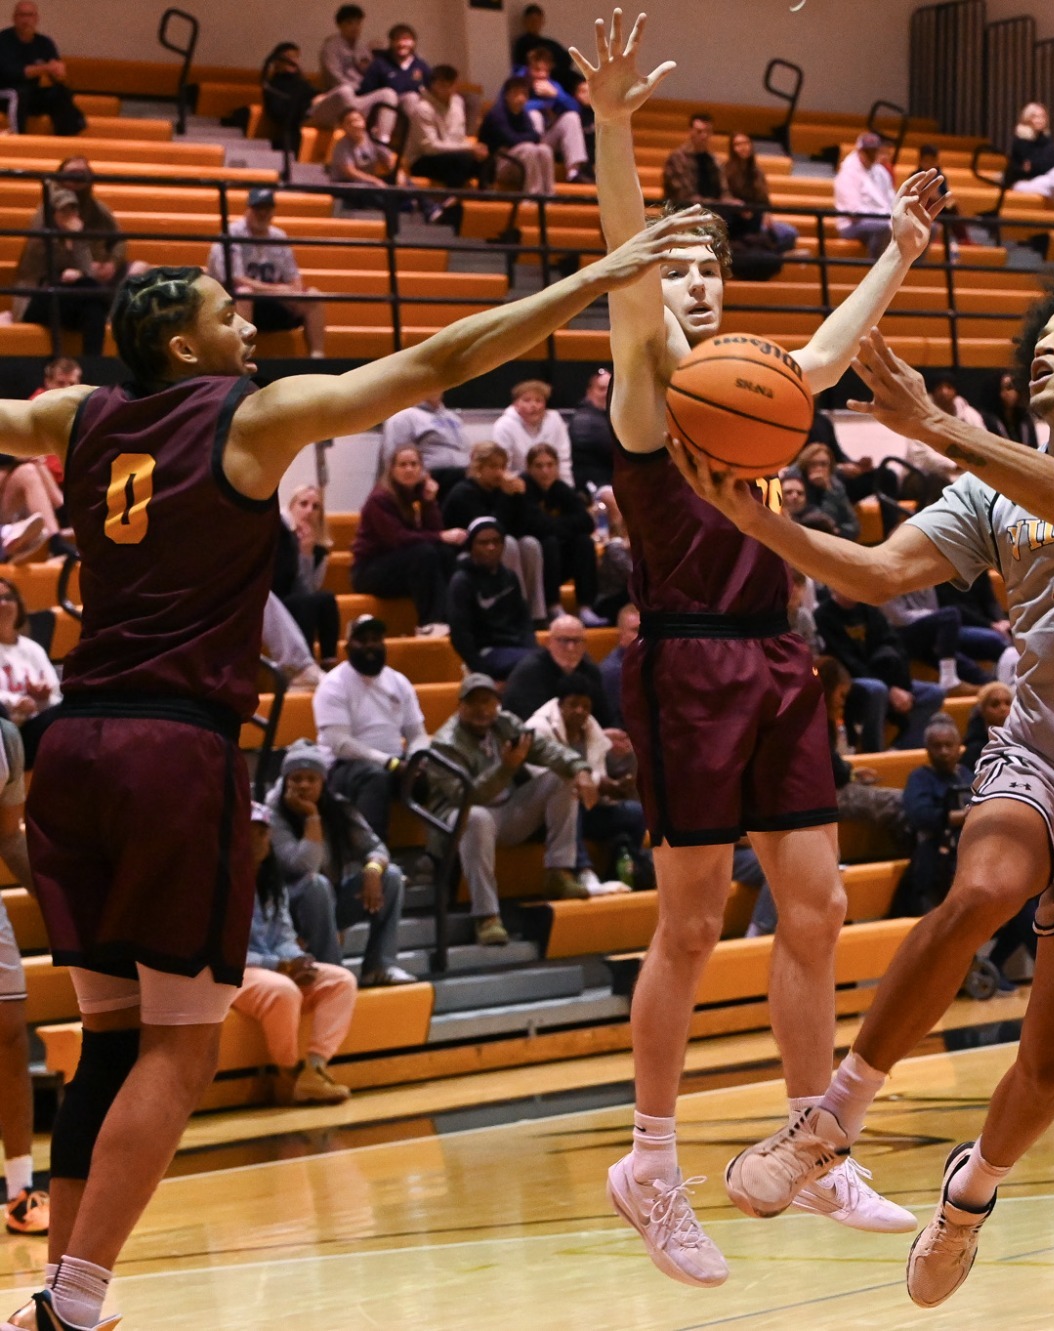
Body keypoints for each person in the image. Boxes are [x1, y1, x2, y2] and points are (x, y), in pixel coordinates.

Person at [0, 210, 691, 1331]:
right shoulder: (251, 414)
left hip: (73, 746)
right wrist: (593, 281)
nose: (253, 328)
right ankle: (76, 1302)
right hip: (174, 747)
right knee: (180, 1043)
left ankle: (49, 1298)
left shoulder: (78, 418)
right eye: (233, 316)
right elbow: (437, 360)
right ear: (184, 346)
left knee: (111, 1041)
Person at [700, 78, 1054, 1303]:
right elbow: (879, 573)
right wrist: (755, 519)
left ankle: (969, 1188)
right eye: (1041, 337)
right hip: (1039, 749)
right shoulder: (991, 491)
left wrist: (933, 421)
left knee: (1047, 1058)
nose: (1046, 344)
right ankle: (827, 1120)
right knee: (982, 879)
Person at [579, 14, 948, 1281]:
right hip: (686, 662)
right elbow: (630, 276)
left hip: (777, 657)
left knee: (820, 903)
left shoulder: (756, 391)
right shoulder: (646, 395)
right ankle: (650, 1157)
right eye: (676, 274)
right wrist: (614, 128)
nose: (692, 288)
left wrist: (897, 254)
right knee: (688, 924)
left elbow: (831, 353)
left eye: (708, 276)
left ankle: (813, 1146)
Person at [424, 674, 593, 947]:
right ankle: (486, 916)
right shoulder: (445, 744)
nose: (482, 709)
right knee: (476, 817)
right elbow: (466, 796)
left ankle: (558, 871)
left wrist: (580, 768)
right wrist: (505, 768)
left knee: (561, 777)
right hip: (459, 822)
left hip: (507, 812)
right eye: (474, 702)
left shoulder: (506, 724)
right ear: (460, 706)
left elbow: (546, 749)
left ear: (497, 705)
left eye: (488, 702)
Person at [234, 805, 357, 1106]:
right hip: (230, 972)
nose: (258, 838)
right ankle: (287, 1073)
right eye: (250, 831)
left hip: (271, 967)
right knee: (282, 991)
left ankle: (315, 1069)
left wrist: (299, 961)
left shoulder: (272, 882)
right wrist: (280, 965)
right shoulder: (215, 885)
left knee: (340, 980)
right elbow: (224, 951)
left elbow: (284, 936)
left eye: (263, 831)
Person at [265, 743, 414, 988]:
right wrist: (312, 818)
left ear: (323, 783)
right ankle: (333, 970)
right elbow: (304, 865)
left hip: (329, 903)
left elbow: (375, 847)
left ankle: (380, 965)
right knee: (316, 883)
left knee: (392, 876)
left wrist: (373, 869)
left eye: (311, 779)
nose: (304, 785)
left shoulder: (336, 807)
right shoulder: (272, 814)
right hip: (288, 911)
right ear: (285, 781)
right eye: (297, 779)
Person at [526, 674, 646, 888]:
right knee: (570, 799)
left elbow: (596, 778)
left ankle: (625, 869)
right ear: (560, 705)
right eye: (573, 705)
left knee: (635, 814)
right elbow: (541, 778)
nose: (580, 711)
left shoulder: (591, 727)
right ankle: (583, 871)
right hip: (544, 815)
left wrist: (614, 788)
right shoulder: (538, 727)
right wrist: (599, 784)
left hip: (586, 807)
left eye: (585, 706)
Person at [314, 613, 427, 837]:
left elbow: (418, 734)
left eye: (376, 639)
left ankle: (437, 858)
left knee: (440, 774)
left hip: (395, 763)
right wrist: (391, 764)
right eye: (362, 640)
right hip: (343, 767)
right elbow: (341, 745)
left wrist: (416, 759)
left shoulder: (398, 681)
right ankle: (372, 860)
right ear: (347, 647)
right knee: (374, 776)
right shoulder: (333, 685)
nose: (370, 645)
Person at [0, 714, 43, 1237]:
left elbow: (8, 838)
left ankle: (19, 1193)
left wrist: (55, 900)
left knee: (11, 1038)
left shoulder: (6, 737)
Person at [352, 443, 465, 632]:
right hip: (369, 570)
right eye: (403, 465)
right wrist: (440, 536)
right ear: (392, 469)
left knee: (444, 553)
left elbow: (434, 529)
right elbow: (397, 539)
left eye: (414, 464)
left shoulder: (415, 494)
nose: (409, 469)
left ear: (422, 469)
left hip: (401, 566)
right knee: (424, 553)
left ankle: (454, 620)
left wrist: (429, 502)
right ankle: (430, 623)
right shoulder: (380, 498)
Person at [816, 589, 945, 752]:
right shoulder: (823, 616)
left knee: (934, 693)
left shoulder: (871, 610)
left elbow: (894, 645)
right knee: (877, 689)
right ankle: (873, 752)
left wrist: (899, 685)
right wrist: (890, 689)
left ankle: (901, 748)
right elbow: (847, 663)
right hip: (851, 681)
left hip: (884, 680)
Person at [206, 188, 327, 361]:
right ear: (248, 209)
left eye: (267, 209)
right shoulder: (232, 235)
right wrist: (278, 290)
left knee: (314, 296)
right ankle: (240, 358)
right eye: (258, 208)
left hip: (270, 304)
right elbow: (236, 280)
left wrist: (292, 290)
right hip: (231, 305)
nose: (263, 213)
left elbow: (294, 277)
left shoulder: (278, 236)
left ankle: (317, 359)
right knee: (244, 293)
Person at [443, 440, 549, 623]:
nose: (500, 472)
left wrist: (520, 498)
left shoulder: (501, 489)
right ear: (478, 467)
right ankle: (514, 611)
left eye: (502, 466)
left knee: (530, 544)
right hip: (464, 552)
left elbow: (524, 527)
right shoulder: (464, 492)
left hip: (497, 544)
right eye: (493, 466)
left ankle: (537, 614)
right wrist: (507, 497)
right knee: (507, 544)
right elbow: (488, 531)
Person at [898, 716, 978, 920]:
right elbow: (920, 815)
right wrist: (962, 816)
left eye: (948, 745)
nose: (943, 751)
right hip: (934, 855)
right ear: (927, 749)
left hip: (971, 852)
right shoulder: (919, 777)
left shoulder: (967, 775)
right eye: (937, 746)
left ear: (959, 746)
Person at [14, 190, 110, 357]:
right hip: (36, 300)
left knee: (94, 310)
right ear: (53, 214)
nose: (70, 215)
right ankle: (109, 303)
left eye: (73, 210)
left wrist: (78, 238)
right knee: (92, 289)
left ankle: (93, 367)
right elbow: (50, 270)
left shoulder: (75, 238)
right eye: (64, 210)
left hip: (69, 300)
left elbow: (86, 271)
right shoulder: (40, 239)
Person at [448, 518, 540, 677]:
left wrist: (531, 649)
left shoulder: (510, 577)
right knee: (540, 663)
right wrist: (482, 671)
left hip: (516, 648)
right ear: (471, 547)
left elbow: (524, 620)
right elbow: (460, 635)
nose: (491, 547)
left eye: (496, 542)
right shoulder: (462, 582)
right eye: (483, 543)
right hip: (487, 651)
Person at [522, 441, 600, 611]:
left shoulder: (560, 488)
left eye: (550, 465)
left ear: (557, 467)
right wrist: (565, 527)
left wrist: (556, 527)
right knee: (549, 542)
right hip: (533, 562)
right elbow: (535, 526)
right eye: (539, 466)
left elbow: (586, 522)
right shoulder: (523, 488)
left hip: (560, 559)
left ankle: (586, 607)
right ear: (529, 468)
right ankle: (553, 606)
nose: (545, 471)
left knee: (584, 542)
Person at [275, 483, 339, 663]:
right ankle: (304, 663)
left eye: (315, 507)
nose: (309, 511)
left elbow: (309, 589)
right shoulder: (277, 531)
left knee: (326, 598)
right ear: (291, 506)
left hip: (297, 597)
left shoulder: (319, 548)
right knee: (305, 603)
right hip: (272, 597)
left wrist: (306, 554)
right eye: (303, 504)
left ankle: (329, 661)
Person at [503, 612, 609, 720]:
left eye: (577, 641)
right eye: (564, 640)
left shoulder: (590, 670)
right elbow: (533, 721)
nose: (571, 648)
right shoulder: (529, 672)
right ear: (549, 642)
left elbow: (604, 716)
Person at [0, 2, 83, 136]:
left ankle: (67, 137)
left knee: (60, 92)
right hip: (6, 92)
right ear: (14, 18)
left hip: (30, 93)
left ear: (36, 18)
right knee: (18, 94)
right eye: (22, 15)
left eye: (30, 15)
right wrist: (46, 68)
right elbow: (14, 73)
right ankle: (18, 138)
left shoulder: (44, 43)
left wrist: (59, 72)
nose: (26, 20)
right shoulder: (3, 40)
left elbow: (57, 74)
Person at [310, 3, 395, 130]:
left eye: (358, 23)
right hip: (336, 99)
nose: (355, 27)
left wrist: (377, 58)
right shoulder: (330, 47)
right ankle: (358, 126)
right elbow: (335, 79)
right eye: (350, 23)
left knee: (388, 94)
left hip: (357, 99)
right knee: (346, 90)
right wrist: (362, 87)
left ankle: (382, 139)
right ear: (340, 25)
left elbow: (371, 77)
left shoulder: (362, 48)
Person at [479, 76, 566, 197]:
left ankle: (549, 195)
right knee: (528, 149)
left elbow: (536, 136)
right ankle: (532, 196)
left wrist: (528, 138)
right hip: (496, 166)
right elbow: (511, 140)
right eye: (516, 94)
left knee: (544, 150)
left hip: (516, 161)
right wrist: (528, 138)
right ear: (506, 95)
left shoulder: (523, 113)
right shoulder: (496, 114)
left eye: (524, 94)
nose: (520, 98)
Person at [516, 44, 592, 182]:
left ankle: (573, 173)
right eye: (537, 70)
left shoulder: (552, 85)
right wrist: (543, 104)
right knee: (535, 115)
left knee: (571, 117)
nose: (542, 75)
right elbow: (517, 107)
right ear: (528, 68)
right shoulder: (517, 83)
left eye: (546, 70)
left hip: (547, 140)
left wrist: (556, 95)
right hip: (523, 145)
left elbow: (575, 108)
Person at [406, 65, 488, 192]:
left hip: (453, 153)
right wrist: (468, 148)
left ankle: (486, 202)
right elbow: (430, 147)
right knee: (460, 161)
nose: (448, 89)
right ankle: (453, 201)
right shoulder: (422, 109)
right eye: (443, 85)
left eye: (451, 85)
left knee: (486, 158)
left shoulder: (458, 102)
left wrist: (475, 150)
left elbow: (459, 138)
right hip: (422, 159)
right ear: (433, 85)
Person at [722, 130, 799, 251]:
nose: (743, 147)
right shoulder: (726, 171)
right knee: (763, 236)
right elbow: (724, 196)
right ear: (732, 148)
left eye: (746, 143)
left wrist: (767, 214)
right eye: (738, 144)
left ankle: (772, 254)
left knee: (790, 233)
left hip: (759, 217)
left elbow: (765, 201)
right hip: (739, 220)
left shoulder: (758, 172)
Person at [383, 392, 472, 496]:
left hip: (461, 477)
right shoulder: (404, 416)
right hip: (430, 480)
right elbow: (394, 456)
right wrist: (422, 479)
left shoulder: (453, 418)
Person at [327, 107, 407, 214]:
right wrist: (374, 181)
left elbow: (389, 160)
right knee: (371, 193)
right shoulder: (342, 145)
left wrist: (398, 174)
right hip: (348, 184)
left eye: (358, 120)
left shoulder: (372, 139)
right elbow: (349, 171)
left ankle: (430, 209)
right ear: (343, 127)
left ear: (364, 121)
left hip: (369, 180)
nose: (356, 124)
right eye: (350, 122)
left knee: (407, 182)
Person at [495, 377, 574, 482]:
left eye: (538, 400)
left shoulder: (554, 419)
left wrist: (568, 489)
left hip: (552, 483)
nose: (533, 405)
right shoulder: (503, 425)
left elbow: (563, 459)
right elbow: (503, 467)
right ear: (515, 404)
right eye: (527, 400)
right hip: (518, 483)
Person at [833, 130, 897, 258]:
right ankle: (876, 270)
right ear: (860, 152)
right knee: (884, 228)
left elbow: (892, 200)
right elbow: (854, 213)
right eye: (868, 152)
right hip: (853, 225)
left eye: (874, 151)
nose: (872, 155)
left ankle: (910, 271)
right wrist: (884, 216)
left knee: (925, 228)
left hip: (882, 219)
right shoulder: (848, 173)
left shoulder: (880, 172)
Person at [0, 578, 56, 723]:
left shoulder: (33, 649)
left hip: (36, 724)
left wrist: (43, 697)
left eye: (8, 598)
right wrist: (15, 702)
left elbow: (56, 697)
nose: (3, 604)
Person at [354, 23, 429, 115]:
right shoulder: (379, 63)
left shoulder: (420, 65)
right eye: (397, 39)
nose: (402, 44)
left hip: (408, 106)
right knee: (390, 95)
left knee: (412, 97)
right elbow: (366, 91)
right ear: (391, 42)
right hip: (383, 106)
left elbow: (432, 87)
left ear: (413, 42)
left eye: (406, 39)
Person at [259, 42, 316, 154]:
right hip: (290, 131)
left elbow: (313, 94)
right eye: (289, 57)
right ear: (277, 61)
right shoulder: (272, 86)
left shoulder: (302, 83)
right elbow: (277, 113)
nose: (294, 61)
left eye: (296, 57)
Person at [661, 111, 723, 209]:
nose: (704, 136)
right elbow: (684, 195)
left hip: (710, 214)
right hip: (681, 214)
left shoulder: (713, 160)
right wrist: (716, 203)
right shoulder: (677, 158)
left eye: (708, 131)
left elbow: (724, 190)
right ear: (690, 131)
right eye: (699, 131)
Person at [570, 368, 618, 493]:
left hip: (612, 481)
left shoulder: (612, 416)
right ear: (589, 392)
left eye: (611, 388)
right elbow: (615, 450)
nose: (607, 393)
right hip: (592, 484)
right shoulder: (584, 419)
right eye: (601, 389)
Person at [961, 681, 1012, 771]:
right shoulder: (974, 750)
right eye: (995, 704)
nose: (1003, 708)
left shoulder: (1025, 742)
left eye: (1008, 703)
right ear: (982, 710)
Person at [985, 370, 1037, 448]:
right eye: (1008, 387)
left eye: (1014, 387)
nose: (1014, 391)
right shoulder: (988, 422)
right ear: (997, 392)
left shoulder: (1025, 421)